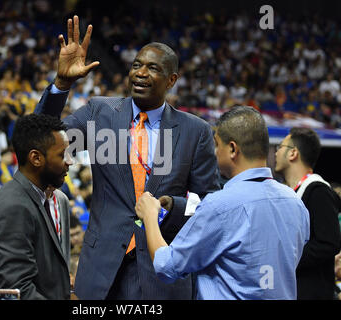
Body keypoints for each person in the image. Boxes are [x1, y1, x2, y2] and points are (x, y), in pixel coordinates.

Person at [34, 15, 219, 299]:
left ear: (171, 79)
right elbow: (42, 141)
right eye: (136, 65)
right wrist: (61, 84)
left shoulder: (196, 131)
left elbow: (209, 204)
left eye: (152, 68)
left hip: (163, 272)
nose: (141, 73)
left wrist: (172, 207)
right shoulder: (99, 112)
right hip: (101, 271)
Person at [135, 106, 310, 299]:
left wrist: (150, 216)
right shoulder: (296, 203)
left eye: (217, 145)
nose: (215, 152)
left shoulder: (220, 205)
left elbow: (166, 267)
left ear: (233, 149)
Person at [0, 114, 73, 300]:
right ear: (36, 158)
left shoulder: (46, 199)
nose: (69, 161)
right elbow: (17, 288)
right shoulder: (14, 206)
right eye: (62, 155)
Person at [274, 127, 341, 299]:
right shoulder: (287, 192)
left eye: (280, 147)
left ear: (293, 153)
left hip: (312, 292)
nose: (275, 153)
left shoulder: (318, 190)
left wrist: (286, 258)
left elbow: (328, 243)